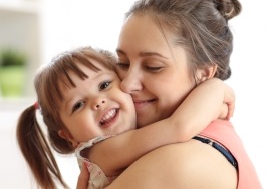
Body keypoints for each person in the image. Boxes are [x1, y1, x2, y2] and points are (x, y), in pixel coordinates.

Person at [76, 0, 262, 188]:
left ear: (205, 73)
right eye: (123, 63)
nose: (127, 84)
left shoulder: (177, 163)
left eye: (153, 67)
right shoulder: (212, 138)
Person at [16, 46, 234, 189]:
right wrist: (215, 90)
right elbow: (178, 127)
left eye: (104, 85)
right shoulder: (100, 151)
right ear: (69, 136)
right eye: (78, 105)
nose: (97, 101)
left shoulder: (143, 132)